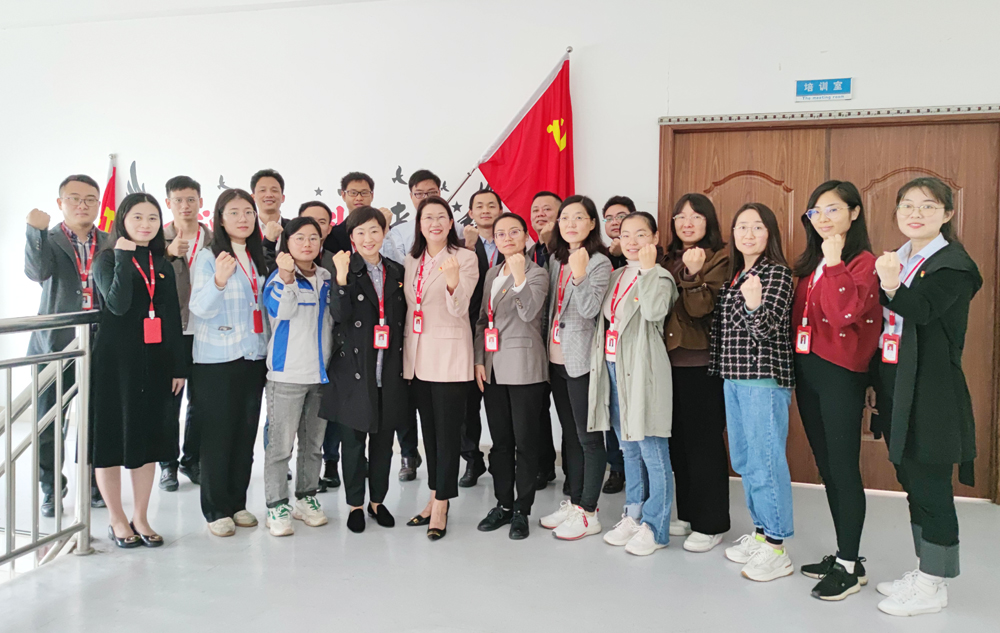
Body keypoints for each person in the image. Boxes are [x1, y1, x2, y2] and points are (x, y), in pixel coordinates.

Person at [870, 177, 981, 617]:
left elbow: (922, 310)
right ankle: (925, 570)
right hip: (898, 385)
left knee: (932, 485)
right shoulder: (898, 258)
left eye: (928, 206)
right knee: (911, 480)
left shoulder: (954, 266)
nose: (915, 214)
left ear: (947, 214)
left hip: (933, 392)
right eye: (907, 206)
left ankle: (935, 584)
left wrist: (891, 286)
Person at [790, 181, 881, 600]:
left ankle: (849, 565)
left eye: (833, 209)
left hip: (841, 374)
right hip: (808, 370)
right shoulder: (810, 263)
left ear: (854, 213)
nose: (823, 218)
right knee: (827, 468)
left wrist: (833, 262)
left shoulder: (863, 263)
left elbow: (843, 314)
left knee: (843, 469)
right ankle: (846, 555)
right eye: (816, 212)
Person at [90, 193, 186, 548]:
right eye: (137, 217)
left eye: (152, 218)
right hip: (115, 363)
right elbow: (116, 304)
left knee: (148, 439)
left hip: (155, 361)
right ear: (122, 221)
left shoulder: (161, 262)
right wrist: (122, 256)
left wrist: (178, 366)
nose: (146, 224)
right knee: (112, 439)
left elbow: (171, 317)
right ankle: (117, 518)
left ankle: (141, 517)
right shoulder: (106, 258)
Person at [709, 202, 795, 582]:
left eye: (757, 227)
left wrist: (754, 302)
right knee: (745, 461)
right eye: (741, 226)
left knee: (765, 462)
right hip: (733, 378)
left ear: (769, 233)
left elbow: (766, 330)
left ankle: (776, 547)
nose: (748, 233)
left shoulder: (776, 274)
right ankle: (760, 534)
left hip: (763, 381)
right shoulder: (736, 274)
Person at [589, 212, 677, 556]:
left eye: (641, 234)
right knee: (628, 448)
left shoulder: (661, 276)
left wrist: (649, 270)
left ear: (654, 237)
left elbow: (655, 313)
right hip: (613, 368)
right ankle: (634, 512)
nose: (632, 241)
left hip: (643, 370)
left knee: (653, 450)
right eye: (626, 234)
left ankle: (656, 526)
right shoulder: (616, 275)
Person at [25, 174, 109, 517]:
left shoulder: (110, 240)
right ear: (61, 203)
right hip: (55, 345)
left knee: (96, 420)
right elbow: (36, 272)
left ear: (98, 203)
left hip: (100, 344)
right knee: (49, 424)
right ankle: (50, 488)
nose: (82, 205)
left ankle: (94, 484)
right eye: (74, 198)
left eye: (90, 199)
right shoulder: (48, 238)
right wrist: (34, 232)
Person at [189, 188, 270, 537]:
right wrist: (219, 280)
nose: (243, 218)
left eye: (248, 212)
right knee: (217, 436)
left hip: (254, 355)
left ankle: (237, 503)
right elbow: (199, 308)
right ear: (220, 219)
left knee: (245, 433)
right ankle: (215, 509)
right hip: (217, 360)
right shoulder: (208, 257)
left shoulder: (258, 257)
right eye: (234, 212)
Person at [320, 206, 407, 533]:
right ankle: (355, 504)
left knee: (383, 444)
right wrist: (341, 278)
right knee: (353, 444)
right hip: (354, 371)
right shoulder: (344, 269)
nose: (368, 238)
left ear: (384, 233)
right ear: (352, 238)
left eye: (374, 231)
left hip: (389, 369)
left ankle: (378, 501)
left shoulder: (397, 271)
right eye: (360, 232)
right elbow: (339, 315)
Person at [536, 195, 613, 541]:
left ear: (592, 223)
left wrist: (580, 275)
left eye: (579, 217)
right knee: (570, 436)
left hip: (581, 360)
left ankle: (590, 512)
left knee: (589, 438)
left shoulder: (599, 262)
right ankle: (576, 502)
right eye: (565, 217)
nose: (570, 223)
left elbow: (590, 310)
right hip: (555, 358)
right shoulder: (556, 259)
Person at [402, 196, 479, 540]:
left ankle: (442, 504)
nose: (434, 223)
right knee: (429, 435)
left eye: (441, 217)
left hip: (449, 357)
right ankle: (433, 496)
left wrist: (452, 281)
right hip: (417, 357)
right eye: (427, 217)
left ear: (451, 223)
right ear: (419, 225)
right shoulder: (411, 260)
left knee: (448, 435)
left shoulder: (465, 257)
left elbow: (460, 308)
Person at [661, 193, 731, 553]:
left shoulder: (719, 258)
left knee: (704, 444)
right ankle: (688, 513)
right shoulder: (666, 257)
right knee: (678, 443)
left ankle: (711, 522)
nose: (687, 223)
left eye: (695, 216)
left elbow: (702, 308)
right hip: (666, 363)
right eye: (680, 217)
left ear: (709, 221)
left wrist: (692, 273)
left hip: (700, 364)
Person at [473, 212, 550, 540]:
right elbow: (482, 320)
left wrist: (519, 278)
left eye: (514, 232)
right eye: (500, 233)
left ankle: (522, 509)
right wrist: (479, 360)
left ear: (525, 236)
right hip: (492, 368)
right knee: (500, 442)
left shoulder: (537, 273)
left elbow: (529, 312)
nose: (507, 238)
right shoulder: (492, 273)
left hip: (524, 367)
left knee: (525, 443)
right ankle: (503, 504)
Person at [260, 217, 333, 537]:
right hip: (287, 375)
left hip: (320, 374)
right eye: (299, 238)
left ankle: (306, 498)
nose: (307, 243)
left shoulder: (327, 277)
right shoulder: (276, 279)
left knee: (313, 445)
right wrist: (288, 277)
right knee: (280, 447)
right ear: (286, 244)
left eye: (313, 237)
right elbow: (282, 311)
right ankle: (277, 505)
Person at [158, 176, 212, 492]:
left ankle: (192, 460)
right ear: (168, 203)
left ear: (200, 202)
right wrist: (166, 254)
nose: (185, 205)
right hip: (172, 332)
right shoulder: (157, 239)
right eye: (178, 200)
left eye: (191, 199)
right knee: (169, 402)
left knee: (201, 402)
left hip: (206, 331)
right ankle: (167, 464)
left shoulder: (214, 239)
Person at [395, 169, 444, 482]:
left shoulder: (453, 232)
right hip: (404, 322)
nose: (425, 198)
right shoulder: (397, 233)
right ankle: (408, 454)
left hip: (439, 329)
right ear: (411, 197)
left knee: (441, 404)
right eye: (419, 193)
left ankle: (460, 458)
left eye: (431, 192)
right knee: (406, 399)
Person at [459, 188, 505, 488]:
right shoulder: (461, 245)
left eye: (491, 205)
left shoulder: (513, 241)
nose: (486, 210)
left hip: (504, 334)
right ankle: (472, 460)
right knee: (467, 405)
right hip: (468, 331)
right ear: (471, 213)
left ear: (500, 210)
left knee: (501, 404)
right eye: (479, 206)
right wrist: (467, 246)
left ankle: (503, 461)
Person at [296, 200, 342, 493]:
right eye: (308, 222)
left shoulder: (336, 261)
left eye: (321, 222)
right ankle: (292, 472)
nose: (314, 228)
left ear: (328, 227)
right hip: (295, 356)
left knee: (329, 413)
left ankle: (331, 463)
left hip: (331, 349)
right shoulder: (285, 263)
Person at [527, 191, 562, 492]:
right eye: (535, 209)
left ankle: (575, 473)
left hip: (562, 345)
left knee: (569, 414)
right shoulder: (528, 253)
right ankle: (543, 466)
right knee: (537, 412)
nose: (540, 214)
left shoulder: (568, 252)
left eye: (547, 209)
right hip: (533, 344)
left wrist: (552, 244)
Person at [326, 171, 406, 263]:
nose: (359, 198)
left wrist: (385, 228)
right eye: (353, 193)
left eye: (364, 193)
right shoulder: (334, 235)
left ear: (372, 195)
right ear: (343, 195)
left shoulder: (389, 231)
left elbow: (397, 264)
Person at [602, 196, 634, 269]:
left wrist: (623, 252)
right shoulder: (602, 254)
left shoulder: (647, 249)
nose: (614, 222)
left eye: (620, 217)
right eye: (609, 219)